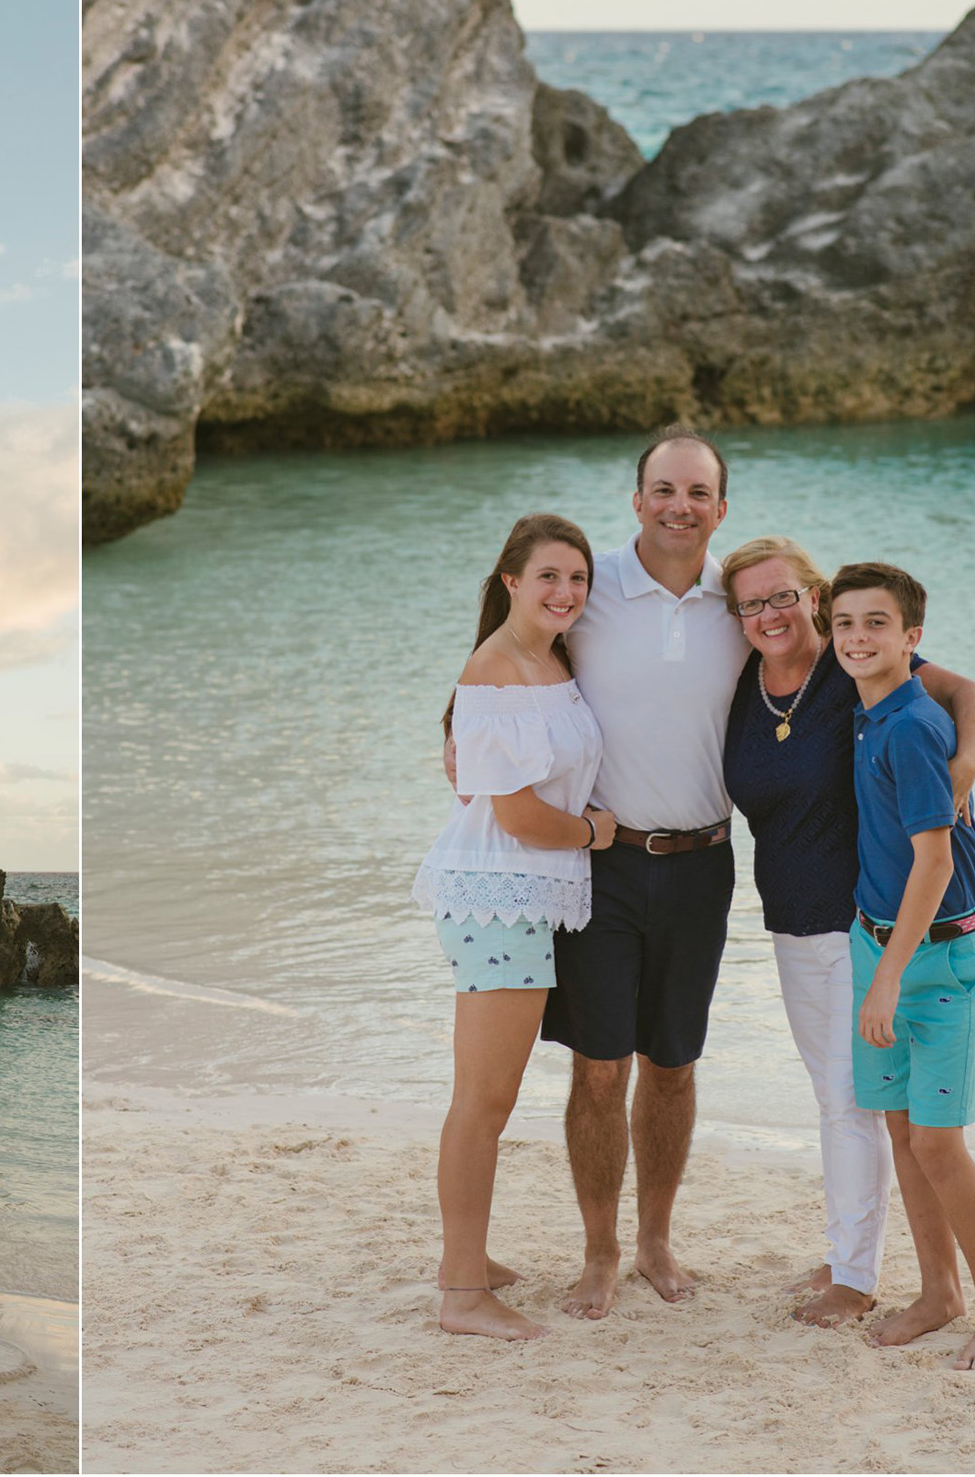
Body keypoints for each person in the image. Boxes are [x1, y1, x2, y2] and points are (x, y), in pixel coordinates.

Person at [719, 537, 975, 1329]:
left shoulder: (857, 663)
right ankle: (853, 1249)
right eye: (751, 603)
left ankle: (855, 1273)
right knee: (834, 1098)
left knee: (849, 1101)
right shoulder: (745, 683)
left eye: (782, 597)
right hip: (790, 919)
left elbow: (969, 694)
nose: (769, 614)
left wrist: (965, 767)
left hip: (863, 922)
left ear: (811, 595)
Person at [522, 426, 747, 1319]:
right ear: (637, 499)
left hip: (705, 865)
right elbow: (507, 648)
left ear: (721, 509)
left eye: (697, 493)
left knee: (675, 1067)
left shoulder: (744, 599)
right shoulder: (588, 587)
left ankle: (656, 1238)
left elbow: (853, 657)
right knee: (600, 1068)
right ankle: (600, 1250)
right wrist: (457, 732)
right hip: (600, 866)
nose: (679, 506)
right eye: (664, 489)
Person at [413, 513, 615, 1341]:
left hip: (529, 893)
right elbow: (524, 816)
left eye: (578, 579)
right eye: (549, 578)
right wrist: (597, 834)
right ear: (509, 581)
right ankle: (463, 1293)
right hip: (501, 892)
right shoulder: (495, 671)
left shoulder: (551, 659)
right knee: (484, 1100)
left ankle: (468, 1257)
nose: (566, 593)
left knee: (489, 1095)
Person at [831, 561, 975, 1369]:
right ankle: (937, 1291)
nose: (857, 638)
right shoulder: (870, 708)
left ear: (913, 639)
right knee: (904, 1134)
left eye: (877, 624)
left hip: (939, 960)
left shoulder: (910, 725)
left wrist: (886, 976)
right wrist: (875, 958)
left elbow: (935, 865)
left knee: (940, 1145)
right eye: (843, 623)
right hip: (879, 938)